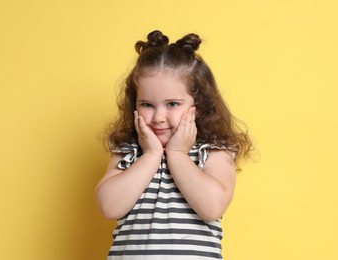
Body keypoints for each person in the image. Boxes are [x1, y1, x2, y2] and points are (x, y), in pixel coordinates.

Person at [95, 30, 252, 259]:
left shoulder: (213, 150)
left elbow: (212, 207)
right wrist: (150, 155)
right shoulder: (129, 151)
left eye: (172, 104)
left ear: (199, 104)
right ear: (134, 105)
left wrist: (178, 154)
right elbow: (109, 206)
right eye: (147, 104)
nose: (158, 117)